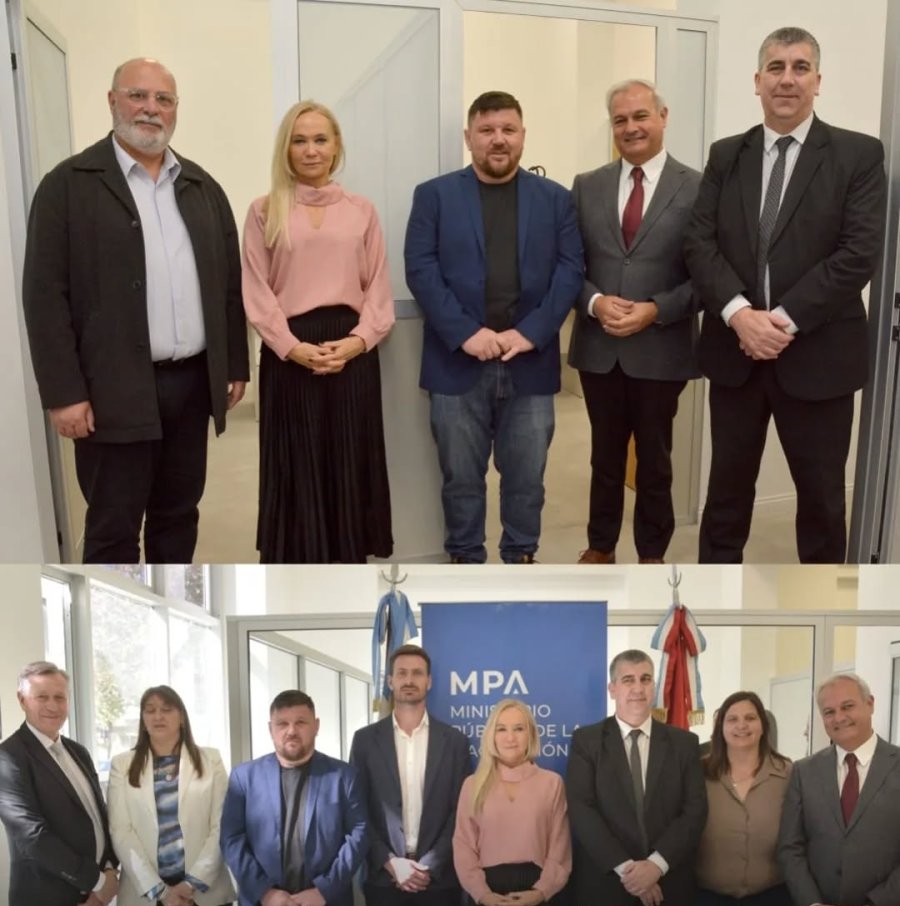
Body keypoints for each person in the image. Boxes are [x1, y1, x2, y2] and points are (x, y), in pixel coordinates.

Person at [22, 57, 249, 563]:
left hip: (190, 387)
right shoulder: (68, 186)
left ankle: (175, 616)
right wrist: (64, 393)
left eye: (163, 99)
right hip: (111, 391)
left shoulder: (202, 187)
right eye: (137, 95)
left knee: (178, 517)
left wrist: (233, 364)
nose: (150, 109)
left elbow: (227, 286)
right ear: (112, 101)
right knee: (112, 528)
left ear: (175, 110)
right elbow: (44, 295)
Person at [684, 27, 886, 563]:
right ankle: (716, 618)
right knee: (725, 499)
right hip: (735, 356)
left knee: (821, 504)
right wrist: (739, 316)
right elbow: (698, 242)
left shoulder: (858, 155)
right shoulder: (727, 155)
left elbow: (856, 255)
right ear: (757, 81)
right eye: (776, 67)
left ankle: (827, 629)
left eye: (800, 67)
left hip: (819, 358)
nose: (787, 79)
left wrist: (781, 322)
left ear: (818, 81)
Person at [404, 90, 583, 564]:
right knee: (461, 479)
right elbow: (420, 269)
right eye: (486, 131)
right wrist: (467, 334)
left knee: (526, 479)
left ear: (523, 136)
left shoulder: (556, 200)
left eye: (507, 130)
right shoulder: (434, 196)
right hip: (456, 364)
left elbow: (570, 271)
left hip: (531, 362)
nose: (497, 140)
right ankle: (466, 558)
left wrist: (530, 333)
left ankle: (521, 556)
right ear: (469, 138)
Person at [242, 101, 395, 563]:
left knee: (348, 459)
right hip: (290, 354)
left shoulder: (361, 211)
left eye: (320, 139)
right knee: (298, 463)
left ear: (337, 147)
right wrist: (293, 348)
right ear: (285, 148)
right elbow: (256, 289)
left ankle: (347, 555)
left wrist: (355, 344)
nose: (311, 150)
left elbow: (379, 291)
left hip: (349, 351)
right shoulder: (262, 210)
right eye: (299, 140)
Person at [569, 80, 700, 566]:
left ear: (663, 117)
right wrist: (596, 301)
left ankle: (652, 555)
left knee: (655, 462)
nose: (631, 127)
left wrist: (656, 309)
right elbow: (568, 265)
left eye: (641, 116)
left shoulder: (700, 186)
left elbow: (709, 275)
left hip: (661, 349)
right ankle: (600, 546)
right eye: (621, 119)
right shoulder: (587, 184)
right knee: (603, 458)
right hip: (599, 347)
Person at [566, 649, 707, 906]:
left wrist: (655, 866)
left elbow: (694, 811)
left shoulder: (684, 744)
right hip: (606, 887)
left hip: (668, 889)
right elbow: (582, 809)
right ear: (612, 688)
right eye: (628, 680)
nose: (637, 688)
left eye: (645, 679)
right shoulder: (587, 742)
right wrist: (632, 872)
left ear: (653, 685)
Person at [350, 644, 470, 906]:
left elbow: (461, 810)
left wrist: (428, 864)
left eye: (417, 673)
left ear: (429, 681)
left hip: (439, 878)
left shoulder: (454, 741)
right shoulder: (365, 741)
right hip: (384, 877)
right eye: (401, 673)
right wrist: (391, 861)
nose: (409, 679)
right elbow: (358, 811)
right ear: (389, 681)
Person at [220, 690, 367, 906]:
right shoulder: (244, 777)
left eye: (300, 722)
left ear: (316, 726)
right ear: (270, 729)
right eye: (282, 723)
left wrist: (324, 890)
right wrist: (264, 893)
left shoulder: (343, 776)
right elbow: (231, 839)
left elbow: (359, 834)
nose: (291, 731)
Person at [0, 662, 117, 906]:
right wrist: (96, 881)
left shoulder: (78, 752)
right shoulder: (9, 757)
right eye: (42, 697)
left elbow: (100, 818)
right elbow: (31, 836)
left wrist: (109, 871)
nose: (52, 706)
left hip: (91, 901)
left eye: (59, 697)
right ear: (22, 700)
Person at [106, 686, 235, 906]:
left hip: (205, 893)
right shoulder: (123, 764)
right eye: (150, 710)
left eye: (166, 709)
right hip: (148, 895)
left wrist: (192, 883)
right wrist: (161, 891)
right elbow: (121, 830)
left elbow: (221, 825)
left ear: (182, 717)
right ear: (142, 718)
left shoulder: (210, 759)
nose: (158, 716)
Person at [778, 673, 900, 906]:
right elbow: (790, 848)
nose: (839, 718)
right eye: (829, 712)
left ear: (870, 704)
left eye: (848, 706)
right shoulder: (803, 771)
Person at [453, 700, 571, 906]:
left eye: (518, 729)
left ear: (530, 734)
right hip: (487, 899)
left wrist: (539, 893)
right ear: (491, 735)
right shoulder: (472, 785)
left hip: (538, 899)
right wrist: (484, 895)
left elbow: (560, 849)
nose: (510, 737)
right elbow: (463, 846)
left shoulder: (551, 783)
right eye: (501, 729)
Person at [695, 691, 792, 906]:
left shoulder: (788, 773)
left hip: (772, 900)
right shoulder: (698, 772)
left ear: (763, 725)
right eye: (732, 719)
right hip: (709, 902)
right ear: (721, 727)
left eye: (750, 718)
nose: (741, 725)